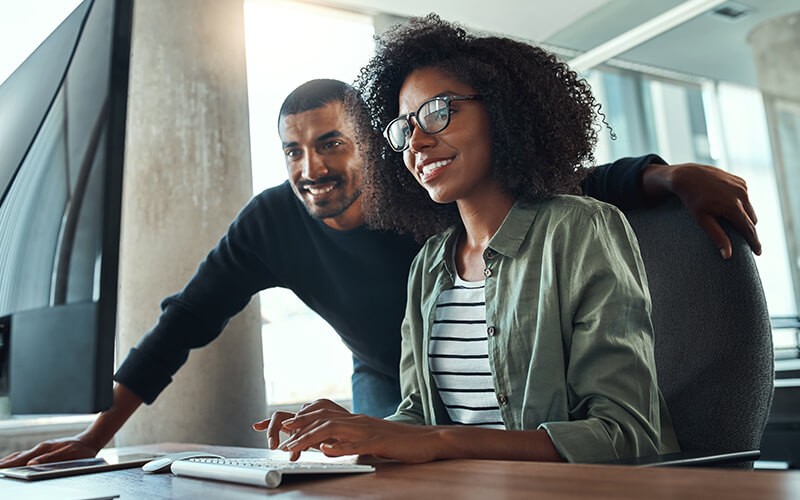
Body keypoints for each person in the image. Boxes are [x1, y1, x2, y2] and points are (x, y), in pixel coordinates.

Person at [0, 67, 756, 466]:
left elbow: (565, 186)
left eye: (331, 142)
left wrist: (665, 176)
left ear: (372, 141)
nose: (311, 166)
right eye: (293, 149)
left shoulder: (431, 193)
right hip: (395, 380)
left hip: (518, 375)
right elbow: (185, 321)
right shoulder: (272, 222)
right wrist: (99, 434)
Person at [253, 14, 681, 464]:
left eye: (438, 112)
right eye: (404, 128)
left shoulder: (580, 230)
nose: (416, 141)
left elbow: (626, 436)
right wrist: (351, 433)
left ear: (500, 110)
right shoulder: (429, 264)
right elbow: (419, 419)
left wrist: (443, 441)